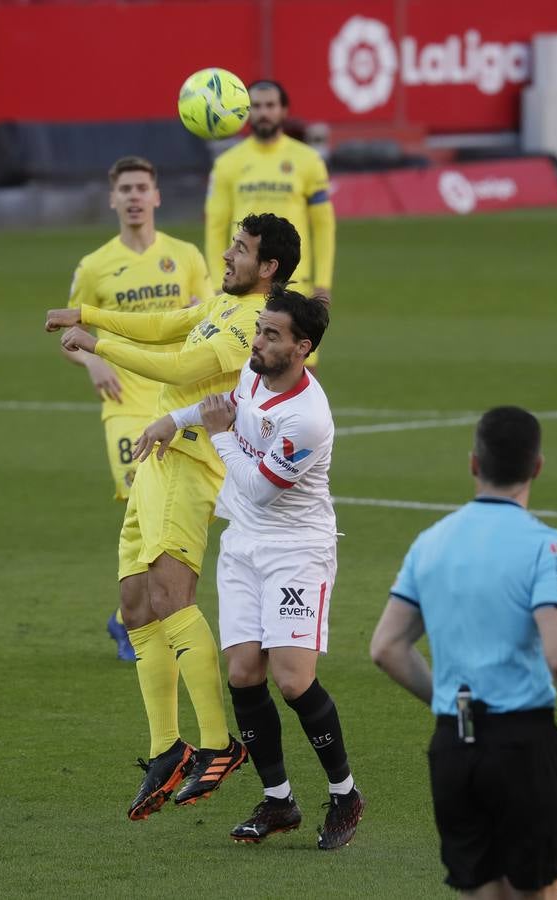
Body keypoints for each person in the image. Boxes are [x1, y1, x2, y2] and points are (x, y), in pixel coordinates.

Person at [45, 213, 301, 820]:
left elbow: (186, 369)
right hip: (157, 459)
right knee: (135, 602)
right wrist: (90, 314)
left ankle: (217, 743)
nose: (228, 253)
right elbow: (170, 325)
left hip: (191, 465)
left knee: (171, 595)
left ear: (268, 268)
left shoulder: (251, 323)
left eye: (240, 249)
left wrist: (98, 345)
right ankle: (167, 747)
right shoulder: (222, 302)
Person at [133, 286, 364, 850]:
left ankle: (345, 793)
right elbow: (225, 405)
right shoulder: (256, 373)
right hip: (243, 546)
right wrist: (173, 418)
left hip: (296, 549)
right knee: (243, 674)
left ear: (302, 348)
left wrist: (214, 435)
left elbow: (259, 489)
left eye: (270, 334)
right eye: (259, 329)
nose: (257, 341)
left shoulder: (308, 419)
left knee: (292, 678)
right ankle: (279, 800)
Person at [370, 406, 557, 898]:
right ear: (538, 467)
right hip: (522, 743)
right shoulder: (547, 548)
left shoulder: (430, 543)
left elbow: (387, 648)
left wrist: (449, 700)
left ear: (473, 464)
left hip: (454, 745)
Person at [61, 155, 213, 662]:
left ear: (156, 196)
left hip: (176, 402)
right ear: (113, 198)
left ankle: (127, 613)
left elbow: (207, 318)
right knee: (140, 504)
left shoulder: (186, 257)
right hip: (125, 404)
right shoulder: (94, 266)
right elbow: (71, 337)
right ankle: (138, 617)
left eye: (140, 187)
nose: (132, 196)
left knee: (176, 511)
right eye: (123, 188)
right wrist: (92, 365)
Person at [205, 79, 335, 371]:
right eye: (257, 106)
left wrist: (323, 282)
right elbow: (215, 227)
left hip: (295, 282)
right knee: (241, 364)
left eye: (270, 106)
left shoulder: (308, 160)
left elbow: (324, 227)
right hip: (244, 281)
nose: (263, 112)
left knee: (302, 365)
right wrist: (216, 282)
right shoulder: (227, 163)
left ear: (283, 110)